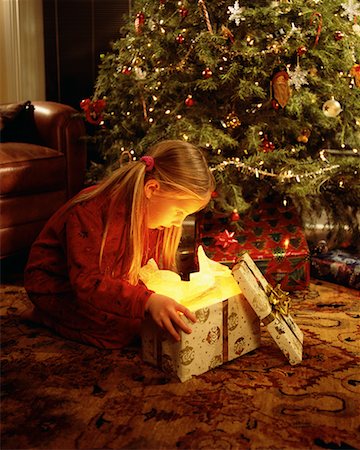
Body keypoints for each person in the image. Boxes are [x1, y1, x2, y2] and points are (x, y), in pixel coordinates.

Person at [23, 140, 215, 349]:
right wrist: (146, 301)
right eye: (179, 212)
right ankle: (45, 316)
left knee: (155, 316)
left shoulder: (156, 219)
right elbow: (86, 282)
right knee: (123, 330)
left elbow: (139, 273)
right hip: (56, 285)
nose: (179, 222)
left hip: (102, 283)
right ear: (152, 189)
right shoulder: (90, 212)